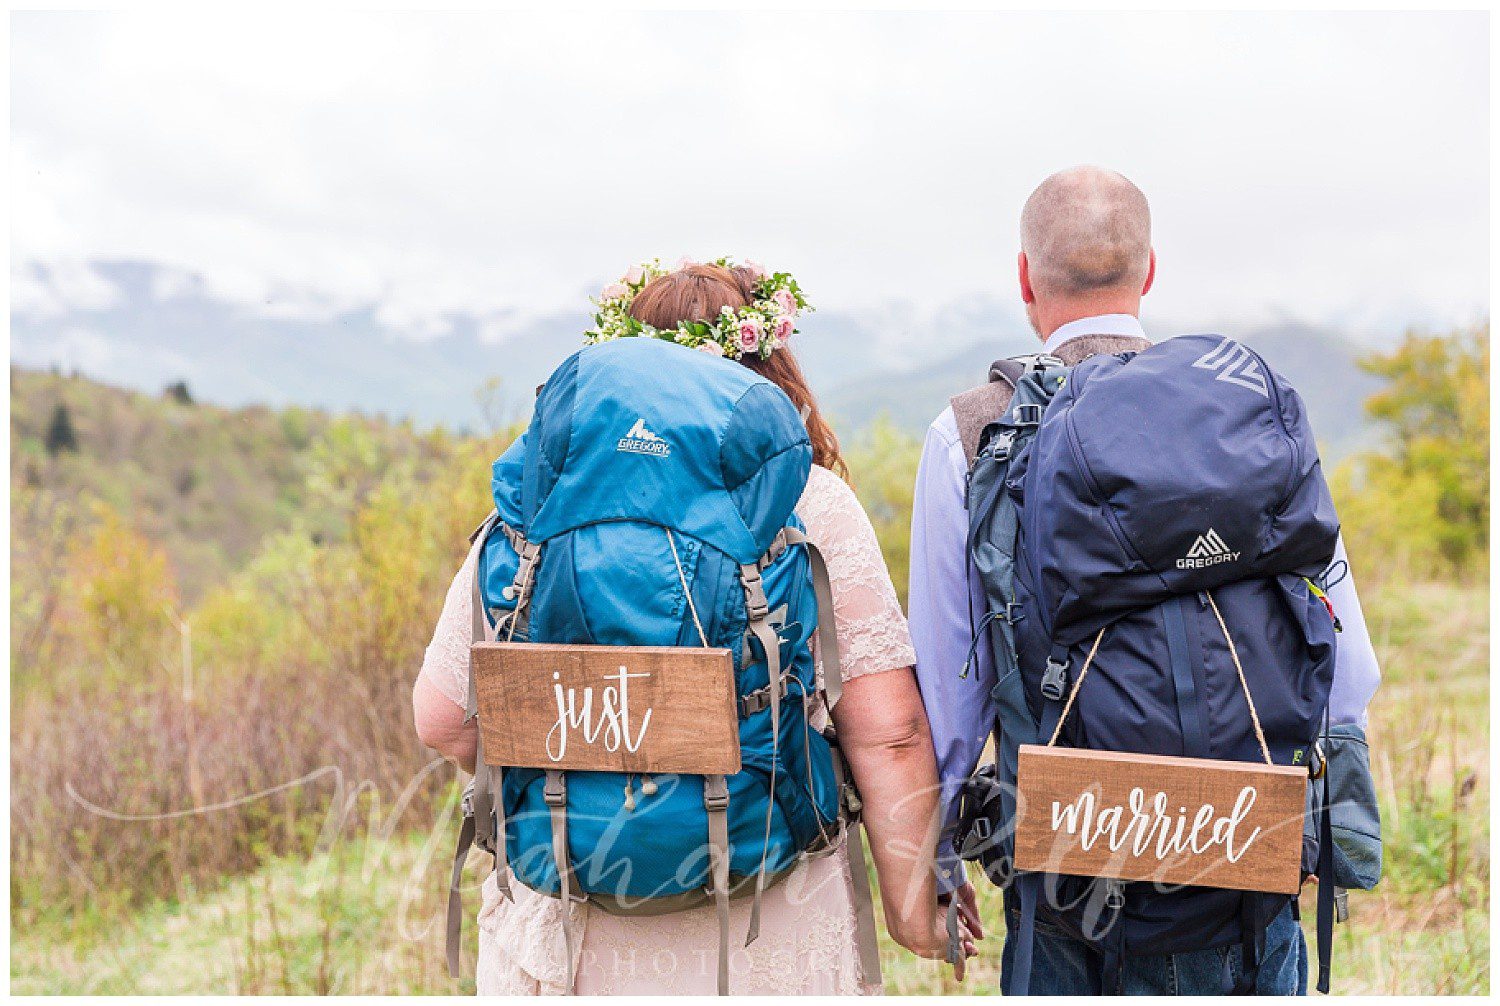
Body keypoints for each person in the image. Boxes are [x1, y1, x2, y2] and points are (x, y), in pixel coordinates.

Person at [414, 261, 975, 994]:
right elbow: (889, 731)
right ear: (769, 375)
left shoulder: (541, 498)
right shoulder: (810, 502)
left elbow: (443, 719)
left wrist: (580, 760)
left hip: (570, 912)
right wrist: (914, 909)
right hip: (765, 924)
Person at [908, 166, 1383, 995]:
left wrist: (936, 856)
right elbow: (1348, 666)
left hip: (1064, 883)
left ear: (1025, 278)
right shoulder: (1246, 409)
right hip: (1248, 876)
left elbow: (954, 696)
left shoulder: (970, 433)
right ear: (1149, 269)